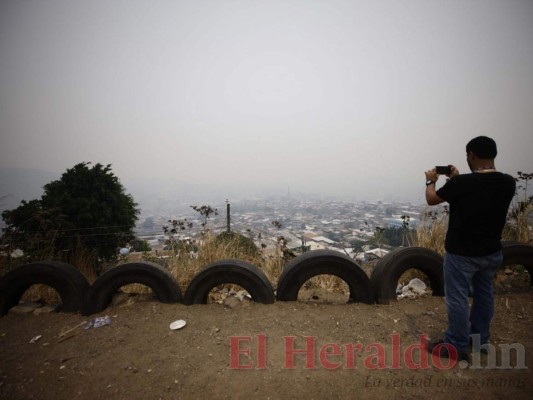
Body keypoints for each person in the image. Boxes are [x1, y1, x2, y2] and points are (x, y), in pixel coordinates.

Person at [424, 136, 516, 362]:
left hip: (462, 253)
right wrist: (456, 179)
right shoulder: (508, 182)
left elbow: (432, 199)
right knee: (484, 294)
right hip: (492, 251)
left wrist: (430, 181)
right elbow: (479, 198)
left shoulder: (462, 183)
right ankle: (480, 339)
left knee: (457, 298)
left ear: (471, 155)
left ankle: (456, 345)